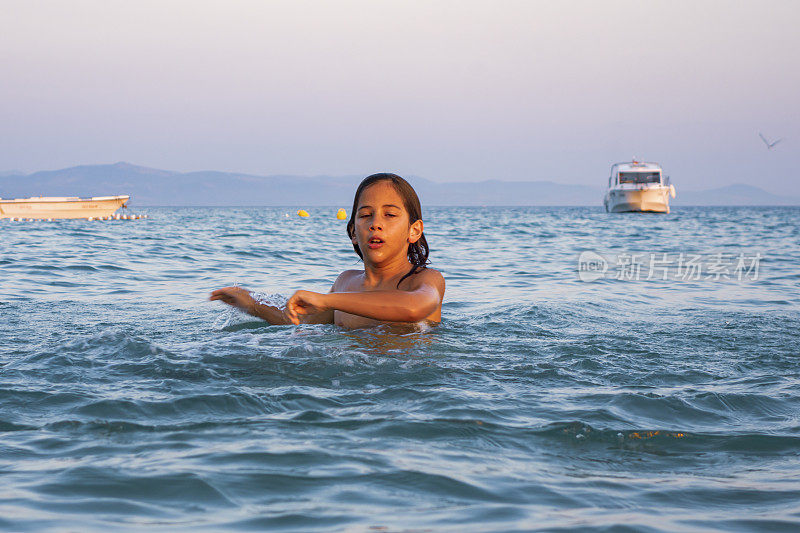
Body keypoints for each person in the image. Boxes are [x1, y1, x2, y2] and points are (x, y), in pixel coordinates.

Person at [210, 173, 445, 328]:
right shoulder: (345, 283)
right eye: (365, 215)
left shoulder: (425, 280)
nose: (375, 223)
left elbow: (414, 308)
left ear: (414, 231)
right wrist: (251, 303)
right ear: (353, 232)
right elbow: (296, 319)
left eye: (390, 215)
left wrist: (328, 300)